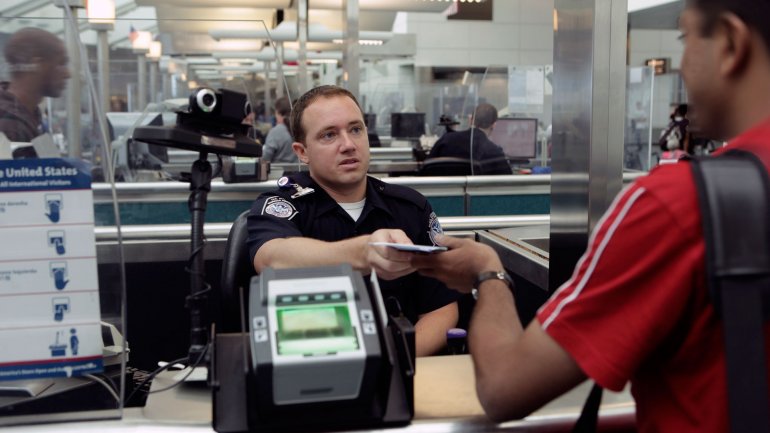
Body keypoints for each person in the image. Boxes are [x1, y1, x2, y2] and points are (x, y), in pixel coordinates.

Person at [411, 0, 770, 431]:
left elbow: (507, 387)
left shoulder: (679, 203)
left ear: (730, 43)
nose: (683, 64)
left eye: (686, 38)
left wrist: (487, 274)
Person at [246, 85, 459, 357]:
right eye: (329, 135)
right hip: (309, 366)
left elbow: (440, 308)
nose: (348, 144)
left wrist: (391, 362)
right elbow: (273, 259)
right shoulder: (283, 207)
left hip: (400, 366)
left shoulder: (410, 208)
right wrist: (363, 252)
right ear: (302, 152)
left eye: (356, 129)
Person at [0, 27, 70, 144]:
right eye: (60, 64)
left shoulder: (27, 114)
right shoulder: (10, 126)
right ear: (37, 64)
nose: (68, 74)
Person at [427, 103, 512, 175]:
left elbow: (426, 168)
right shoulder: (495, 152)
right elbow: (509, 183)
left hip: (440, 193)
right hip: (477, 194)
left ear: (471, 120)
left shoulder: (446, 140)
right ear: (494, 125)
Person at [261, 96, 298, 163]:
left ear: (278, 112)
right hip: (298, 171)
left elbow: (266, 157)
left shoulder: (275, 131)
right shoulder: (298, 128)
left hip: (278, 172)